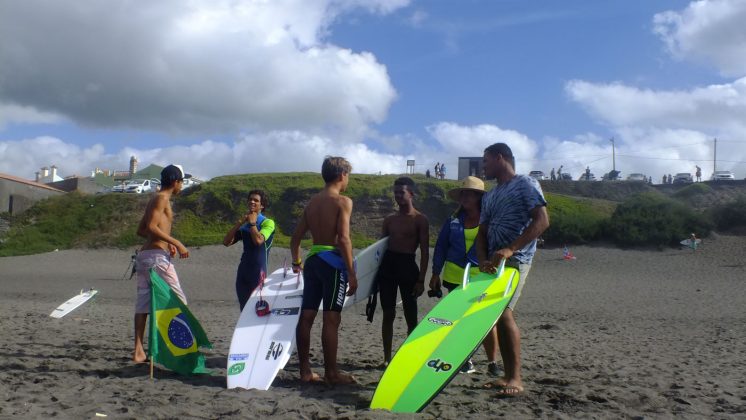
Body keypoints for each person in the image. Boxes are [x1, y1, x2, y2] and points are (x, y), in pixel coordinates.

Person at [476, 143, 550, 397]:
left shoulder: (525, 183)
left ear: (499, 158)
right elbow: (481, 233)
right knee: (496, 315)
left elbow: (542, 220)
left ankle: (515, 379)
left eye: (486, 161)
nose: (483, 166)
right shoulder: (490, 195)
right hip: (493, 263)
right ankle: (507, 376)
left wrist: (511, 248)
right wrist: (482, 258)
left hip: (517, 259)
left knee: (504, 312)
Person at [290, 156, 357, 385]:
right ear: (341, 175)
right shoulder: (343, 202)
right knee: (331, 318)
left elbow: (295, 238)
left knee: (307, 316)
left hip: (313, 261)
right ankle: (331, 373)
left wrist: (296, 262)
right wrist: (351, 272)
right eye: (348, 176)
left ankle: (305, 372)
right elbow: (345, 239)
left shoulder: (312, 204)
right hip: (332, 263)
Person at [429, 176, 498, 375]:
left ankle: (492, 362)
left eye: (470, 194)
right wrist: (435, 272)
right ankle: (465, 360)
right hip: (453, 275)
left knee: (485, 321)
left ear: (479, 197)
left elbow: (495, 245)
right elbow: (441, 247)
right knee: (457, 320)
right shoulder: (452, 221)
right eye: (463, 193)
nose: (465, 197)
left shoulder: (489, 221)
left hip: (481, 277)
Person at [132, 164, 190, 363]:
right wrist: (176, 242)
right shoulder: (162, 198)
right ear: (175, 182)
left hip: (146, 257)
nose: (182, 185)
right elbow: (150, 226)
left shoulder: (155, 199)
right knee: (179, 300)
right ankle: (169, 347)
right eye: (182, 181)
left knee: (144, 304)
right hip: (156, 258)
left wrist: (165, 242)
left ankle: (139, 350)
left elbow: (142, 231)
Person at [377, 177, 429, 366]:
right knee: (388, 313)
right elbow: (379, 249)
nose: (398, 196)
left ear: (411, 194)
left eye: (402, 192)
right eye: (396, 192)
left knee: (411, 315)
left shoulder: (420, 220)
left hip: (408, 267)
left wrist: (421, 280)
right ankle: (386, 358)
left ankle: (410, 356)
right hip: (388, 267)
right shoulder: (389, 219)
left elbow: (424, 251)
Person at [223, 189, 276, 311]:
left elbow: (258, 241)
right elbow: (226, 242)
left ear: (262, 205)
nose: (252, 202)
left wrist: (252, 224)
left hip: (258, 273)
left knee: (257, 310)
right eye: (250, 199)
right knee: (244, 309)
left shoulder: (268, 223)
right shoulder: (245, 225)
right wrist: (238, 223)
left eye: (256, 200)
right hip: (243, 273)